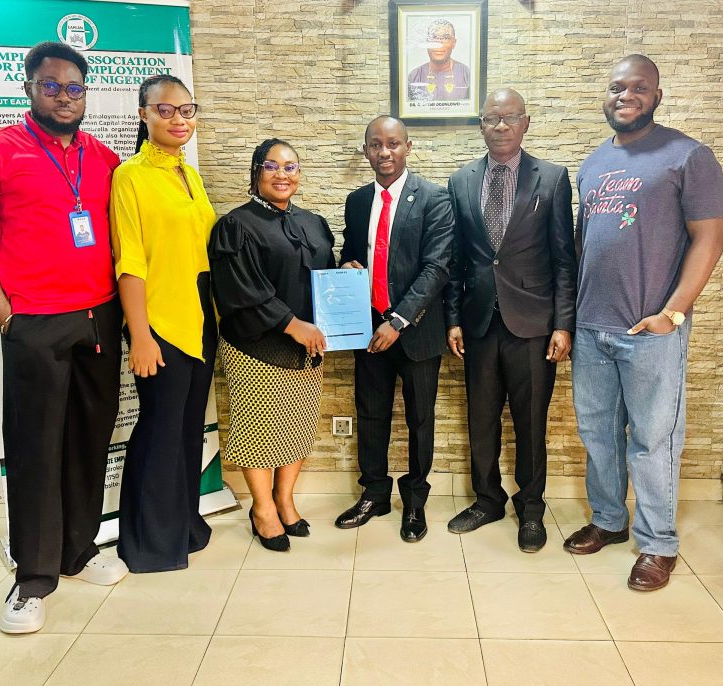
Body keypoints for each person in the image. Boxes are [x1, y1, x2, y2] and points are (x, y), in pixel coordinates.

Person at [0, 41, 127, 634]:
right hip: (34, 323)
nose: (63, 96)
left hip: (99, 318)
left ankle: (79, 549)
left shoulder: (104, 158)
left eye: (74, 87)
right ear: (29, 88)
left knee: (89, 440)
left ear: (86, 93)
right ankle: (32, 575)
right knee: (35, 449)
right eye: (50, 86)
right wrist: (10, 319)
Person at [564, 55, 723, 591]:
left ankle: (658, 543)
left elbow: (710, 237)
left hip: (650, 330)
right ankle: (609, 520)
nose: (625, 96)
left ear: (657, 95)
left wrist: (672, 313)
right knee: (598, 434)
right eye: (616, 87)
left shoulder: (688, 155)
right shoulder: (593, 163)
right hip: (592, 327)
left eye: (638, 88)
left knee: (654, 440)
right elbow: (586, 244)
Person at [444, 89, 577, 552]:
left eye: (509, 117)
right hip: (479, 323)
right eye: (491, 118)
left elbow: (564, 259)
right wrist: (454, 318)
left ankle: (531, 509)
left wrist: (563, 324)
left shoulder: (552, 178)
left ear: (525, 123)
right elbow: (457, 259)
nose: (500, 125)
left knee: (530, 424)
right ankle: (487, 500)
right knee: (481, 420)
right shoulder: (460, 180)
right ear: (480, 125)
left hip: (534, 324)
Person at [109, 75, 217, 572]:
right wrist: (141, 335)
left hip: (200, 322)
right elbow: (129, 260)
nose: (178, 119)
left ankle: (184, 526)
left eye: (186, 110)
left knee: (188, 431)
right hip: (161, 325)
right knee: (159, 432)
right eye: (166, 110)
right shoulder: (130, 176)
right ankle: (148, 543)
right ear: (144, 114)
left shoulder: (188, 174)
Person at [209, 139, 335, 552]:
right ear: (256, 172)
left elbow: (322, 276)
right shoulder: (236, 224)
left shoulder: (312, 222)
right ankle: (262, 509)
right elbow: (240, 288)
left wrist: (345, 275)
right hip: (256, 345)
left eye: (291, 167)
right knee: (260, 430)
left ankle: (284, 500)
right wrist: (292, 324)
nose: (282, 174)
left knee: (298, 425)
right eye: (271, 166)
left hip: (307, 346)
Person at [334, 115, 454, 542]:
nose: (384, 152)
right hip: (367, 328)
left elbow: (437, 268)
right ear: (366, 150)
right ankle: (375, 494)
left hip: (416, 332)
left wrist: (397, 321)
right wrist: (346, 265)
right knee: (371, 414)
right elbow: (351, 253)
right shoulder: (356, 200)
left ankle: (415, 501)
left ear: (407, 147)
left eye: (393, 144)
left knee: (420, 419)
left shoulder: (434, 198)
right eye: (375, 144)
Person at [408, 19, 470, 102]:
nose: (439, 44)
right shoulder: (414, 76)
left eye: (446, 38)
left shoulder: (466, 74)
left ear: (454, 43)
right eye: (434, 37)